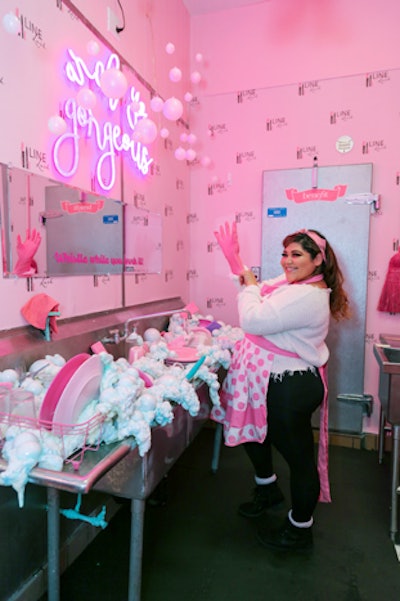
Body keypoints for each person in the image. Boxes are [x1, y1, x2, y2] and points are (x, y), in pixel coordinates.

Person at [211, 223, 350, 552]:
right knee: (255, 434)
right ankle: (268, 488)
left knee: (300, 460)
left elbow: (253, 318)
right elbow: (257, 287)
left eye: (297, 254)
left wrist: (247, 287)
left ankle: (299, 530)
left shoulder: (308, 296)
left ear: (318, 260)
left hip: (291, 387)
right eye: (285, 253)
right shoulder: (290, 284)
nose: (287, 261)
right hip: (270, 381)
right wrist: (238, 264)